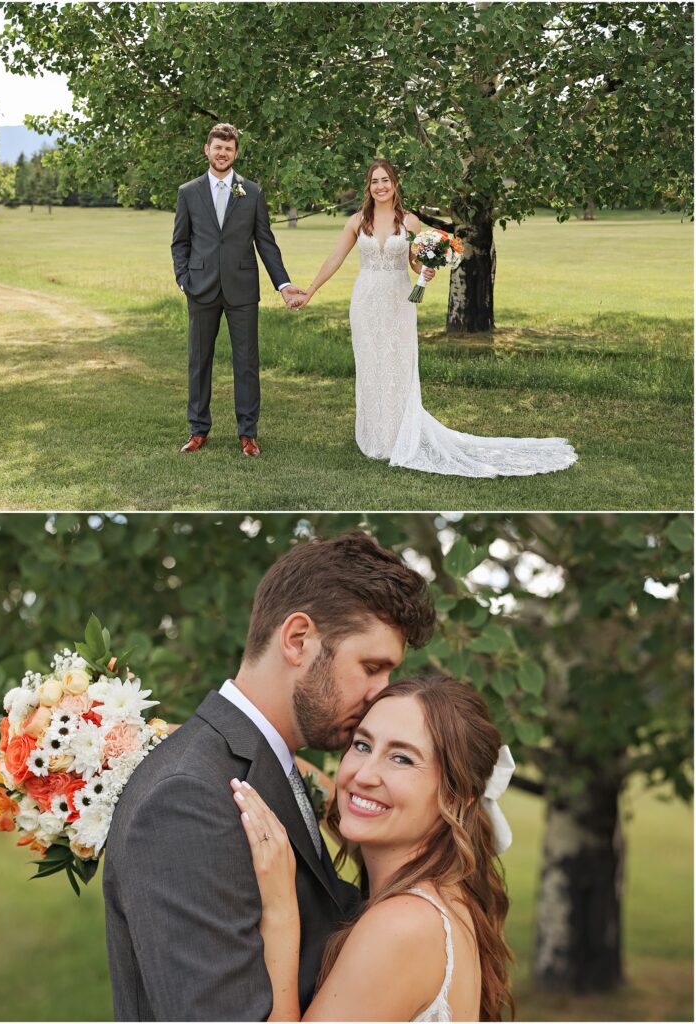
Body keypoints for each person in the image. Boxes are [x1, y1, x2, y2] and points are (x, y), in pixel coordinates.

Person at [102, 530, 436, 1021]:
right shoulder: (188, 797)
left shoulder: (261, 763)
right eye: (371, 667)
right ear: (298, 639)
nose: (380, 694)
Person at [231, 675, 516, 1022]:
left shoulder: (402, 927)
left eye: (401, 759)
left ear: (456, 799)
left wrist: (280, 913)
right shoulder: (448, 893)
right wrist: (186, 739)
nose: (363, 775)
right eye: (362, 745)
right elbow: (318, 785)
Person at [291, 159, 578, 477]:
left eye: (386, 180)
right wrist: (311, 291)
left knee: (399, 367)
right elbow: (335, 257)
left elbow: (416, 265)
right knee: (371, 367)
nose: (381, 186)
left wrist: (426, 269)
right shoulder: (358, 222)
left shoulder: (410, 221)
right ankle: (376, 438)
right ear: (368, 187)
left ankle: (400, 436)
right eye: (375, 181)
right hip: (366, 301)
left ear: (395, 183)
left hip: (400, 300)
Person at [171, 123, 305, 458]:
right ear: (207, 149)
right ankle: (198, 430)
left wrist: (284, 284)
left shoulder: (253, 192)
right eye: (217, 147)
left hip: (243, 289)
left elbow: (266, 243)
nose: (222, 153)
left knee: (247, 362)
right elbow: (180, 242)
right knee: (198, 361)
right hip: (200, 289)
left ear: (236, 153)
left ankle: (248, 434)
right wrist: (183, 279)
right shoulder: (188, 192)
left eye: (229, 149)